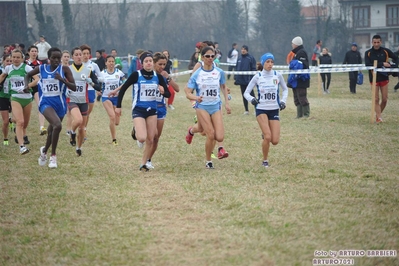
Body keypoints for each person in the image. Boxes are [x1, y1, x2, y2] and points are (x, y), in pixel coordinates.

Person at [112, 51, 170, 172]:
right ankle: (137, 130)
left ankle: (143, 164)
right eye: (146, 61)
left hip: (152, 111)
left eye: (150, 61)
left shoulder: (157, 77)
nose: (148, 63)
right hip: (138, 109)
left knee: (151, 138)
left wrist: (163, 91)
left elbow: (168, 93)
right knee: (142, 138)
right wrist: (118, 106)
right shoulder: (136, 75)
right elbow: (123, 89)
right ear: (142, 63)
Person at [26, 47, 76, 168]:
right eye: (54, 58)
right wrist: (26, 85)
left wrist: (62, 80)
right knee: (57, 125)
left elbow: (74, 87)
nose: (56, 60)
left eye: (58, 58)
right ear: (49, 58)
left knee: (52, 131)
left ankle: (44, 152)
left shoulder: (64, 69)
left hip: (60, 104)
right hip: (45, 103)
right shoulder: (42, 68)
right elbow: (28, 75)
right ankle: (53, 156)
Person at [184, 46, 231, 169]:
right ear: (202, 58)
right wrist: (195, 98)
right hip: (202, 107)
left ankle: (191, 130)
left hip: (216, 106)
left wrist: (227, 103)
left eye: (212, 56)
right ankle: (208, 160)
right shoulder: (197, 74)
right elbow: (187, 92)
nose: (210, 58)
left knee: (219, 136)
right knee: (210, 134)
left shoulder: (219, 72)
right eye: (208, 56)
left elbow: (224, 87)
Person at [244, 53, 288, 168]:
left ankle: (265, 134)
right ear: (263, 63)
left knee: (275, 141)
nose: (270, 64)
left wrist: (283, 101)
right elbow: (246, 92)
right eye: (268, 62)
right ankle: (265, 160)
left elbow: (285, 89)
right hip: (261, 109)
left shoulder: (277, 75)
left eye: (272, 62)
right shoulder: (258, 76)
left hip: (274, 110)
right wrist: (252, 99)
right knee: (268, 136)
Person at [144, 52, 179, 169]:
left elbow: (177, 89)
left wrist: (168, 77)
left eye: (164, 64)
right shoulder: (147, 75)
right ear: (153, 63)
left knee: (156, 138)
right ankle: (139, 133)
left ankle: (148, 160)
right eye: (160, 64)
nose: (162, 67)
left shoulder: (164, 76)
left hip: (161, 108)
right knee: (151, 134)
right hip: (148, 107)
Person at [0, 49, 39, 154]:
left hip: (27, 98)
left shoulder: (26, 67)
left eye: (18, 57)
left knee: (25, 124)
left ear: (22, 58)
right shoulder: (8, 68)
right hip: (15, 97)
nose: (15, 59)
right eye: (14, 57)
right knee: (20, 122)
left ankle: (12, 121)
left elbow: (36, 79)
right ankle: (22, 146)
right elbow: (2, 76)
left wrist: (28, 86)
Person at [68, 47, 101, 156]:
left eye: (80, 55)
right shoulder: (68, 69)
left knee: (82, 128)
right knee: (78, 120)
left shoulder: (88, 70)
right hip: (72, 99)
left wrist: (91, 83)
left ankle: (78, 147)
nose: (78, 57)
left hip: (83, 101)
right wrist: (65, 90)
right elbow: (61, 83)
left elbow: (98, 86)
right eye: (76, 55)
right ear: (72, 57)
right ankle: (72, 132)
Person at [365, 34, 398, 123]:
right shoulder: (368, 53)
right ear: (372, 42)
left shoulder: (385, 51)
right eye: (374, 42)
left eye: (378, 42)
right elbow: (368, 65)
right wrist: (382, 64)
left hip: (384, 78)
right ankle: (379, 117)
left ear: (381, 42)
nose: (376, 44)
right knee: (376, 99)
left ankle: (378, 114)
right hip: (374, 78)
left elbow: (396, 58)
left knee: (384, 99)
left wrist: (393, 67)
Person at [98, 55, 126, 145]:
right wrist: (98, 90)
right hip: (106, 97)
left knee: (117, 122)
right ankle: (114, 139)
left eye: (112, 61)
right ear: (106, 63)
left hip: (117, 98)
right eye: (109, 61)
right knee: (112, 116)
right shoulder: (102, 74)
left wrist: (119, 90)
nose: (111, 63)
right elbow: (96, 83)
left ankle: (114, 126)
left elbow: (125, 83)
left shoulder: (119, 73)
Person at [81, 44, 101, 139]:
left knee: (87, 112)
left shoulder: (94, 65)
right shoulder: (78, 65)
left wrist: (95, 80)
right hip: (80, 91)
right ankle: (82, 130)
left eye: (87, 53)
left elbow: (101, 77)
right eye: (84, 53)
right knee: (82, 112)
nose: (85, 55)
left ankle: (84, 128)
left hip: (90, 90)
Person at [26, 45, 46, 135]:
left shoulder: (40, 64)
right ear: (28, 52)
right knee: (24, 108)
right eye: (32, 51)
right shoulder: (25, 63)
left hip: (37, 87)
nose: (34, 53)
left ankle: (42, 127)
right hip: (27, 87)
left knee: (40, 105)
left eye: (35, 51)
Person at [288, 36, 310, 118]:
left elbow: (302, 66)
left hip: (301, 79)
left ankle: (306, 114)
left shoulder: (301, 52)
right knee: (296, 97)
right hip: (295, 80)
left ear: (296, 44)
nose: (292, 45)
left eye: (293, 43)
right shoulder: (297, 53)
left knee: (302, 96)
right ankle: (299, 115)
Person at [234, 45, 257, 115]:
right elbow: (236, 68)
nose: (243, 50)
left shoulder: (250, 58)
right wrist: (236, 77)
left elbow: (253, 69)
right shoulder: (239, 58)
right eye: (242, 49)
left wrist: (253, 78)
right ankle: (246, 110)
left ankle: (257, 108)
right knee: (244, 95)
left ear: (247, 50)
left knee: (251, 95)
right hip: (241, 80)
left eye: (244, 49)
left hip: (248, 80)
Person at [0, 54, 12, 146]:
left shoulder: (15, 71)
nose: (9, 63)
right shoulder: (1, 71)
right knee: (5, 121)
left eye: (10, 61)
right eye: (7, 61)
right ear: (3, 61)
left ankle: (11, 120)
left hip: (13, 97)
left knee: (18, 118)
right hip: (2, 97)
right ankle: (5, 138)